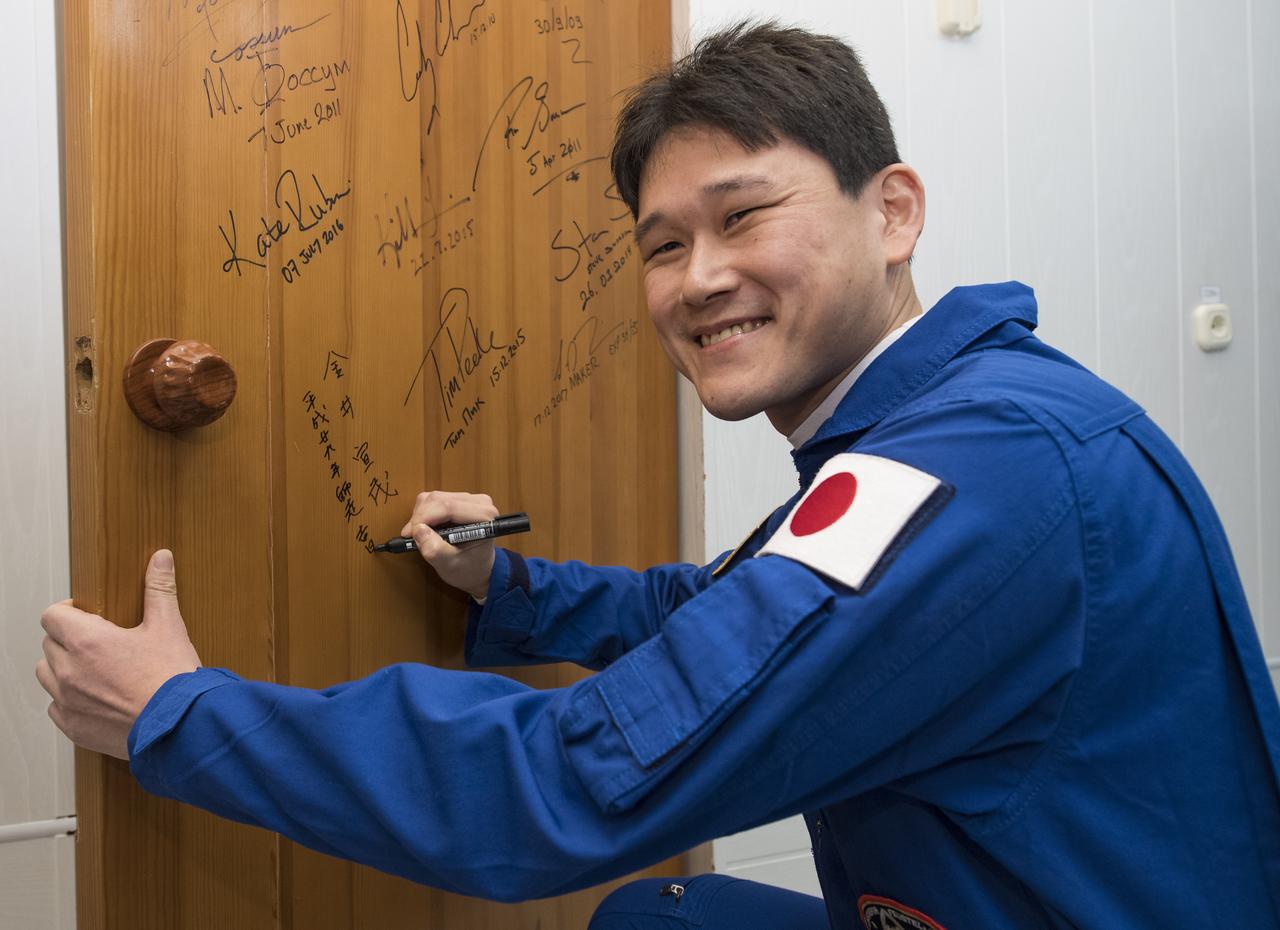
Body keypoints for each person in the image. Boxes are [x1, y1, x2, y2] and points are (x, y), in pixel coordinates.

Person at [36, 22, 1280, 930]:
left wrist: (177, 713)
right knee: (661, 920)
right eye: (663, 244)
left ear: (891, 212)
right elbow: (735, 627)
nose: (695, 280)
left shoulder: (975, 474)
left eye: (743, 218)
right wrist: (507, 588)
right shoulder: (948, 423)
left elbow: (567, 784)